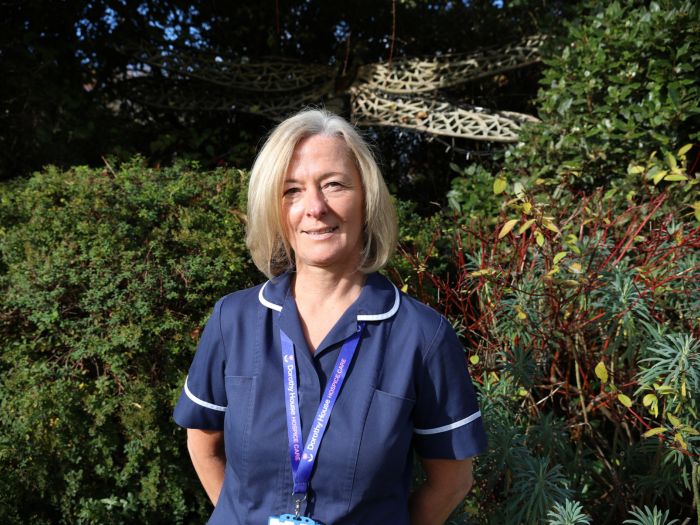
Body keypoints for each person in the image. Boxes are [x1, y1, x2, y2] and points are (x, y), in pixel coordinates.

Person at [173, 109, 487, 525]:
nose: (314, 208)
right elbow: (203, 443)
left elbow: (451, 481)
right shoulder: (233, 320)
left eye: (334, 185)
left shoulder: (421, 337)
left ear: (366, 198)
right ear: (274, 208)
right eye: (292, 191)